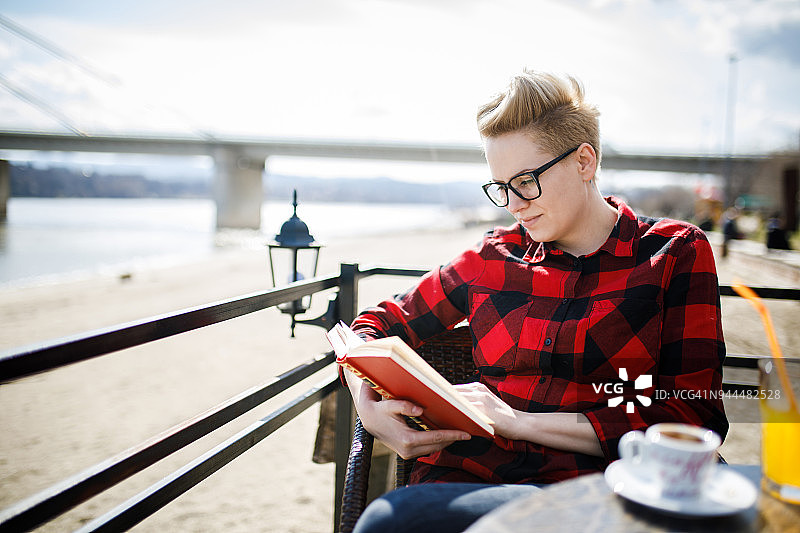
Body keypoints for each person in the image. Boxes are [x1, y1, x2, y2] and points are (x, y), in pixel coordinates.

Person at [343, 70, 728, 533]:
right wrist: (367, 407)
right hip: (472, 484)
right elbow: (369, 329)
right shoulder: (490, 258)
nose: (514, 204)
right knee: (390, 520)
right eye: (501, 186)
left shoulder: (674, 253)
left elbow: (692, 412)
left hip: (609, 490)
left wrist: (519, 422)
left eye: (526, 180)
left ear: (584, 161)